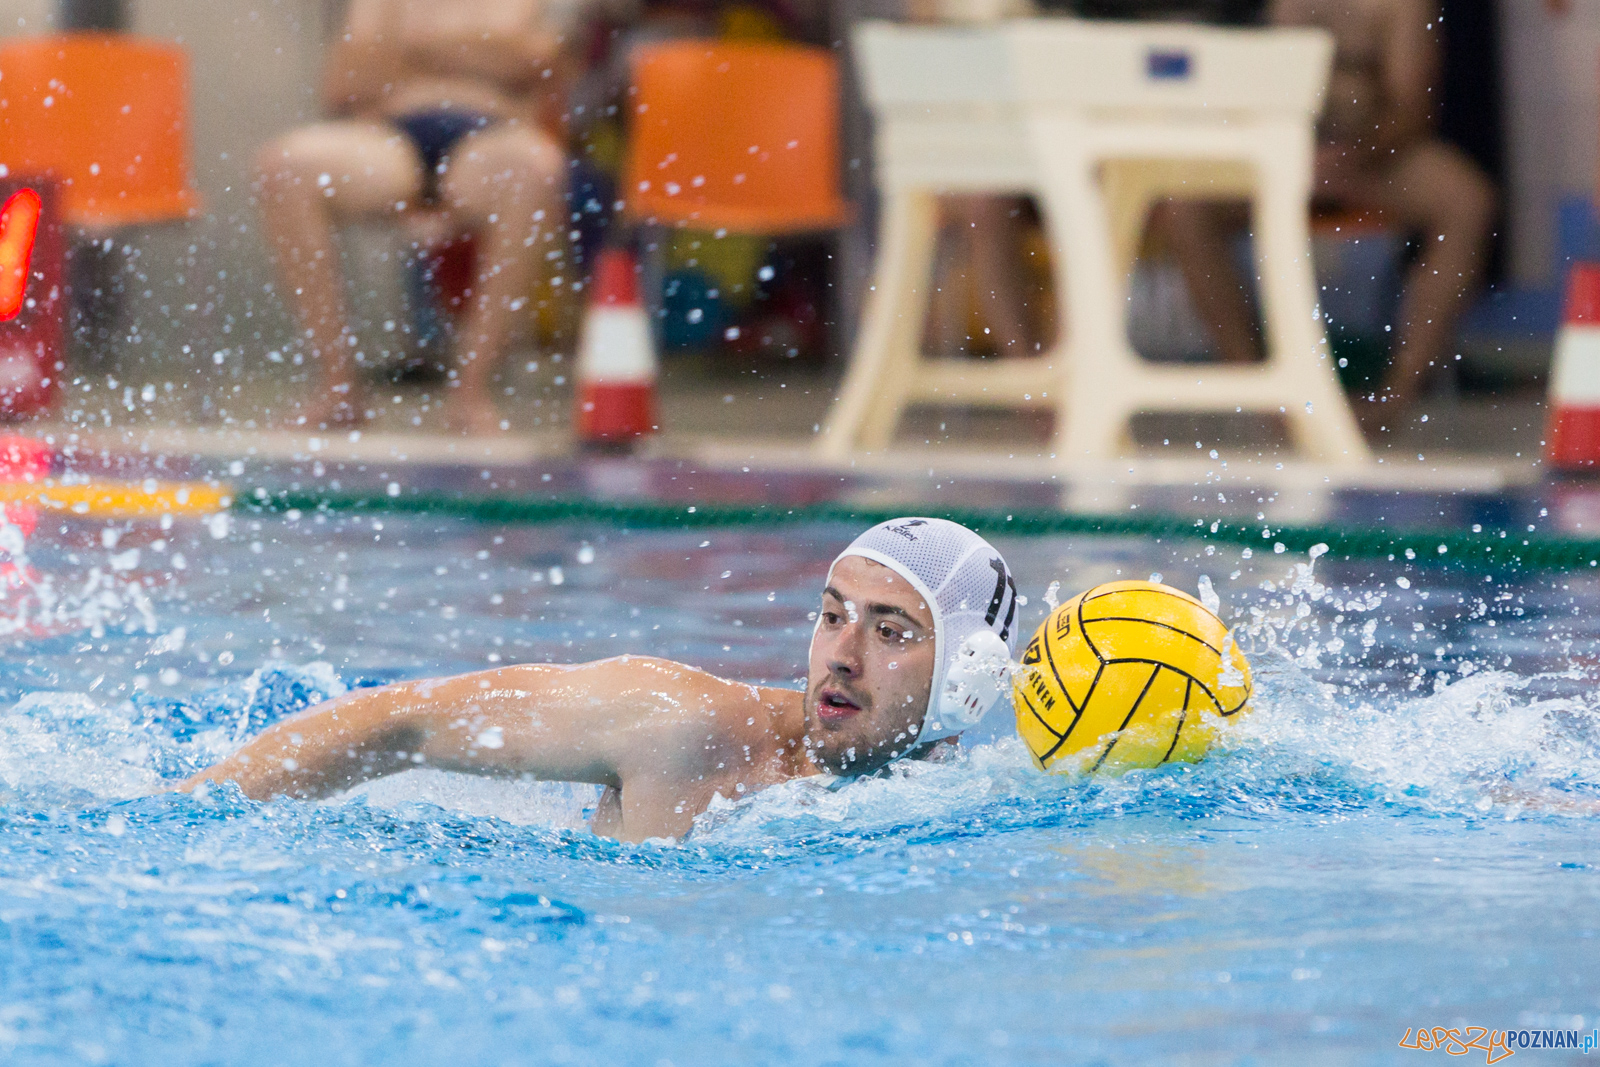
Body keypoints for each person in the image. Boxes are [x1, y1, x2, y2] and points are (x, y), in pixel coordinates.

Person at [181, 518, 1022, 841]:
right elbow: (400, 720)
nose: (841, 652)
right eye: (832, 613)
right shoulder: (678, 724)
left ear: (966, 683)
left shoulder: (984, 807)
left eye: (890, 631)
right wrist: (181, 817)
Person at [254, 0, 577, 435]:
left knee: (536, 169)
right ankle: (338, 387)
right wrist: (473, 52)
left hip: (489, 137)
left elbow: (539, 67)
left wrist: (414, 50)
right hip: (390, 137)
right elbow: (344, 85)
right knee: (285, 166)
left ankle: (471, 392)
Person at [1156, 0, 1496, 410]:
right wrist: (1282, 149)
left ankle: (1398, 392)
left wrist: (1352, 156)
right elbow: (1231, 79)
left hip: (1373, 158)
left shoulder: (1403, 7)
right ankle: (1254, 385)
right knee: (1185, 206)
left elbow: (1411, 109)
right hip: (1277, 148)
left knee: (1468, 202)